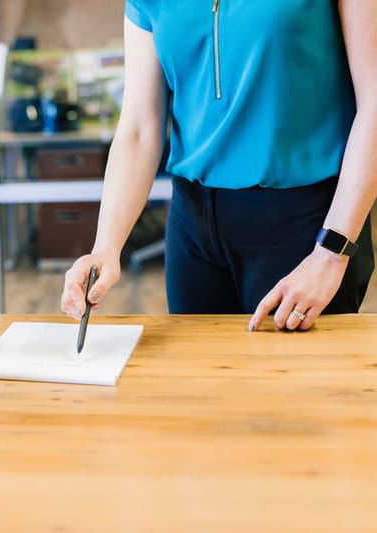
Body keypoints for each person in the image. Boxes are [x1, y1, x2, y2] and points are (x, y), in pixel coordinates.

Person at [62, 1, 377, 332]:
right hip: (193, 228)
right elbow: (139, 128)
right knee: (200, 379)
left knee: (295, 380)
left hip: (306, 225)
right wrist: (106, 248)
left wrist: (331, 253)